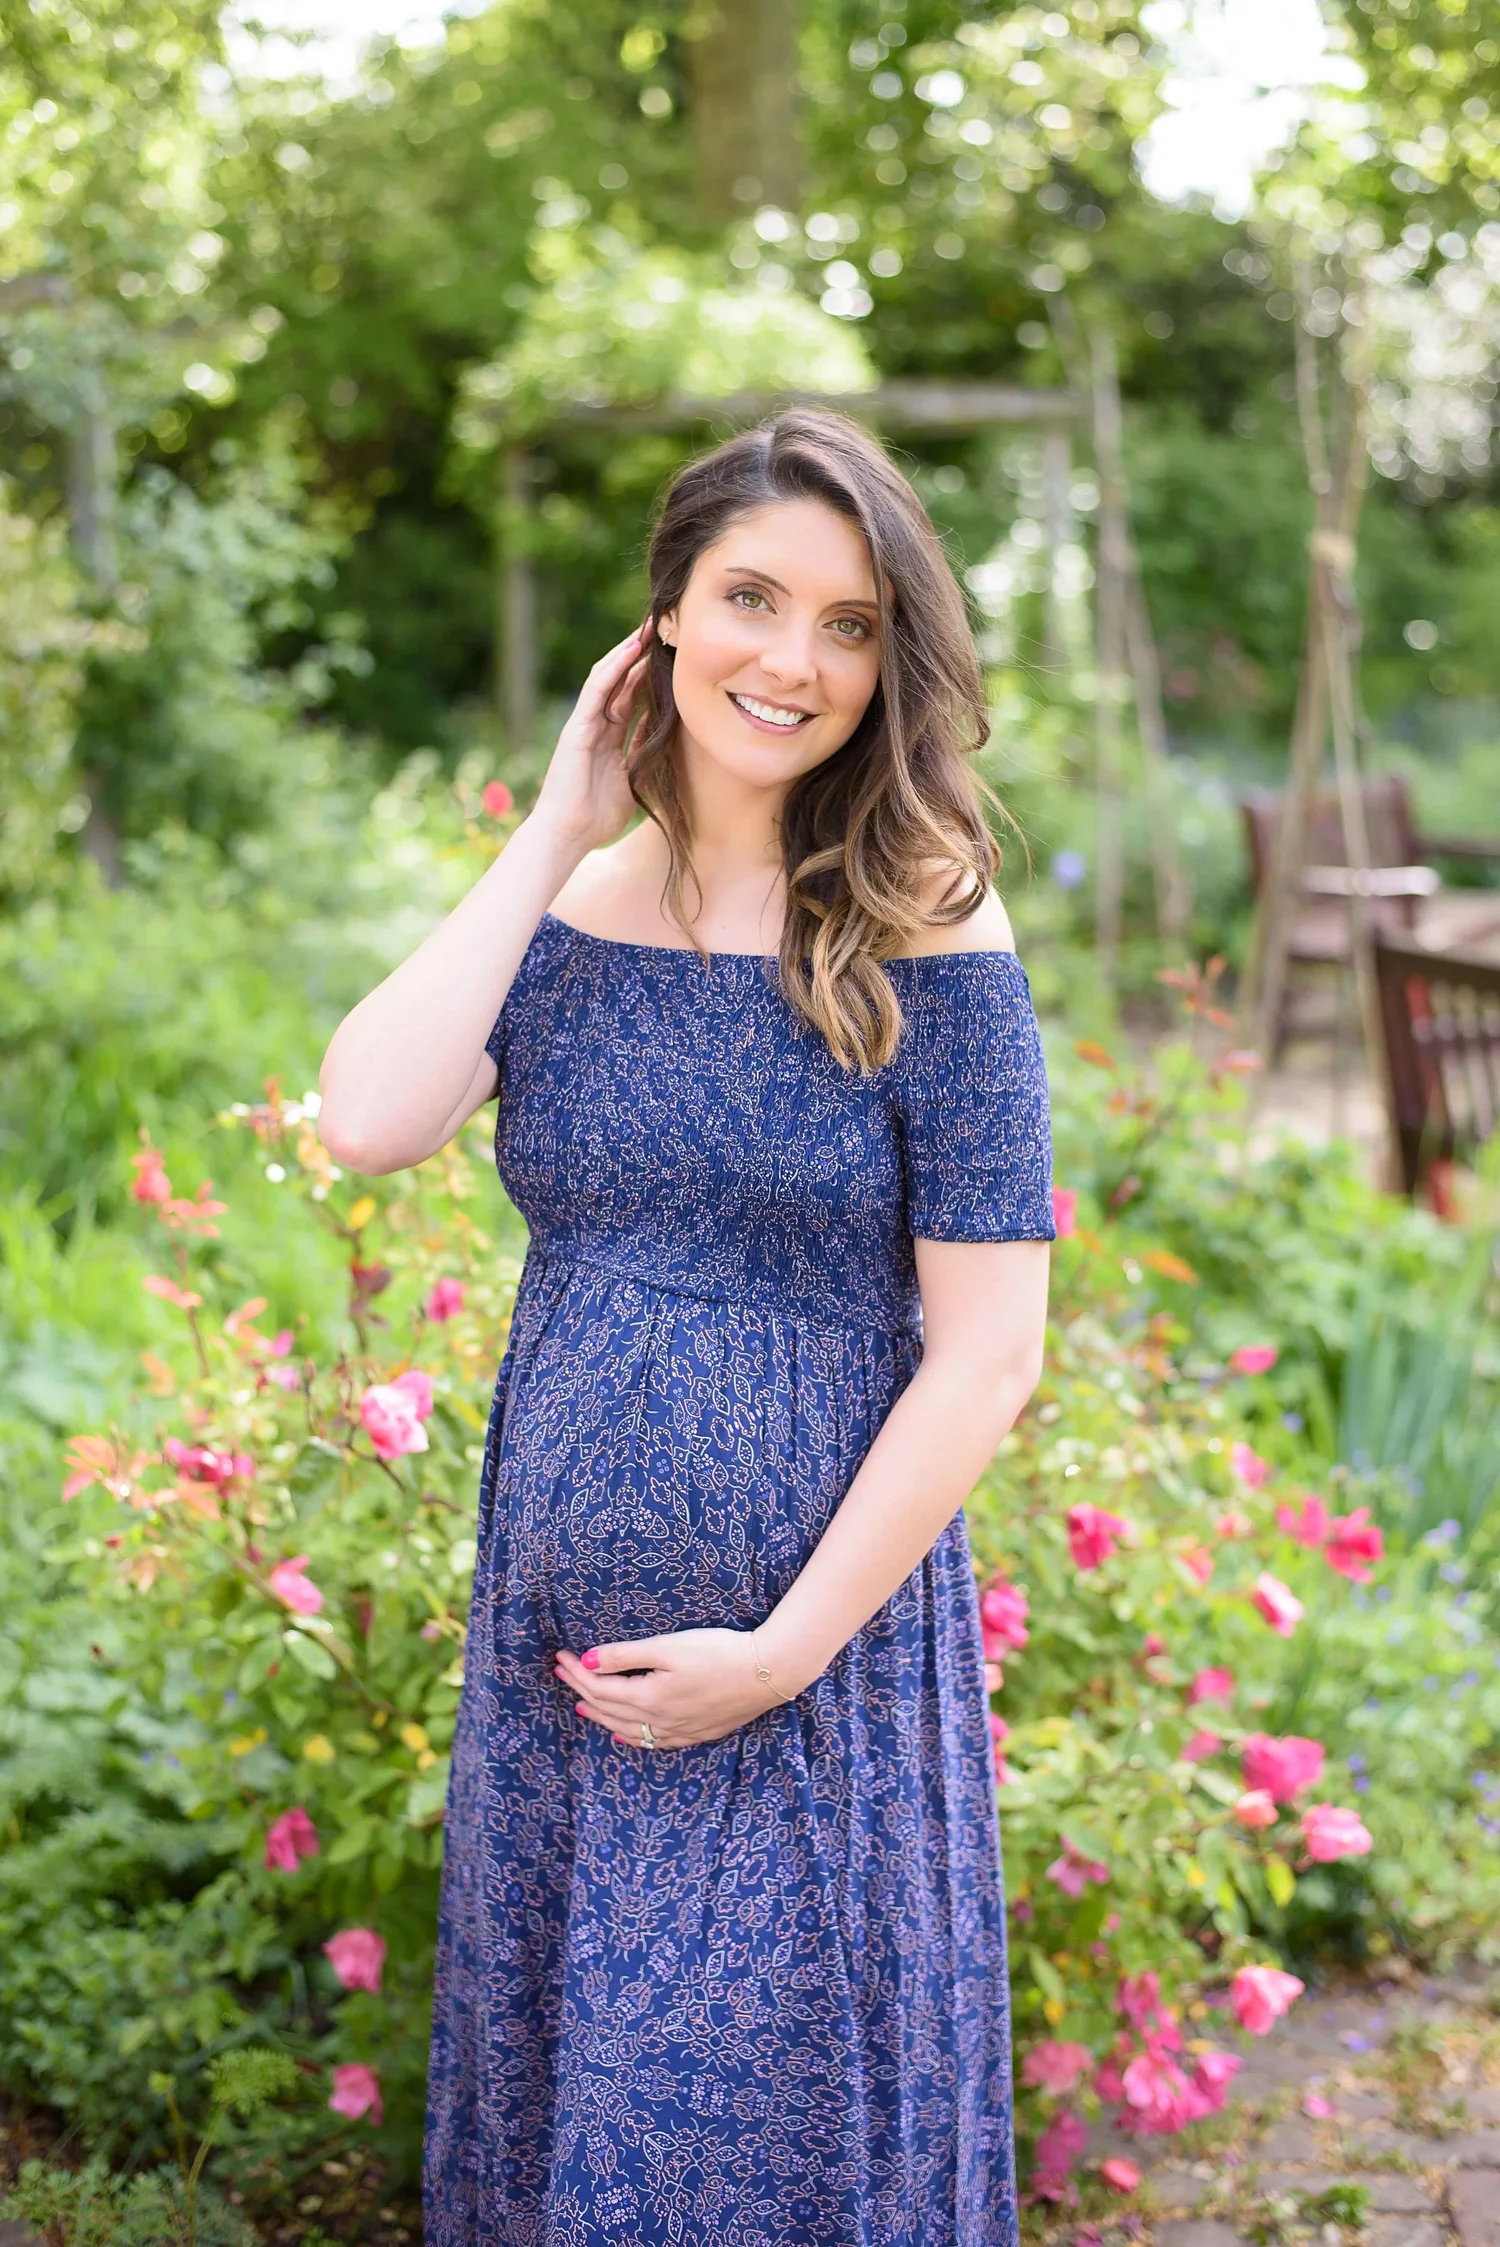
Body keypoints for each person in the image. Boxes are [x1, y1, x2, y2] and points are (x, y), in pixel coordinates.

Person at [318, 409, 1054, 2247]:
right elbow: (369, 1118)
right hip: (559, 1691)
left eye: (850, 623)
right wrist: (556, 822)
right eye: (751, 598)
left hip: (807, 1684)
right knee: (578, 2148)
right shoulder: (574, 908)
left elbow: (990, 1351)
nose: (794, 660)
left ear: (892, 663)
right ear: (663, 618)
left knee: (746, 2161)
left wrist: (781, 1652)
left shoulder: (933, 932)